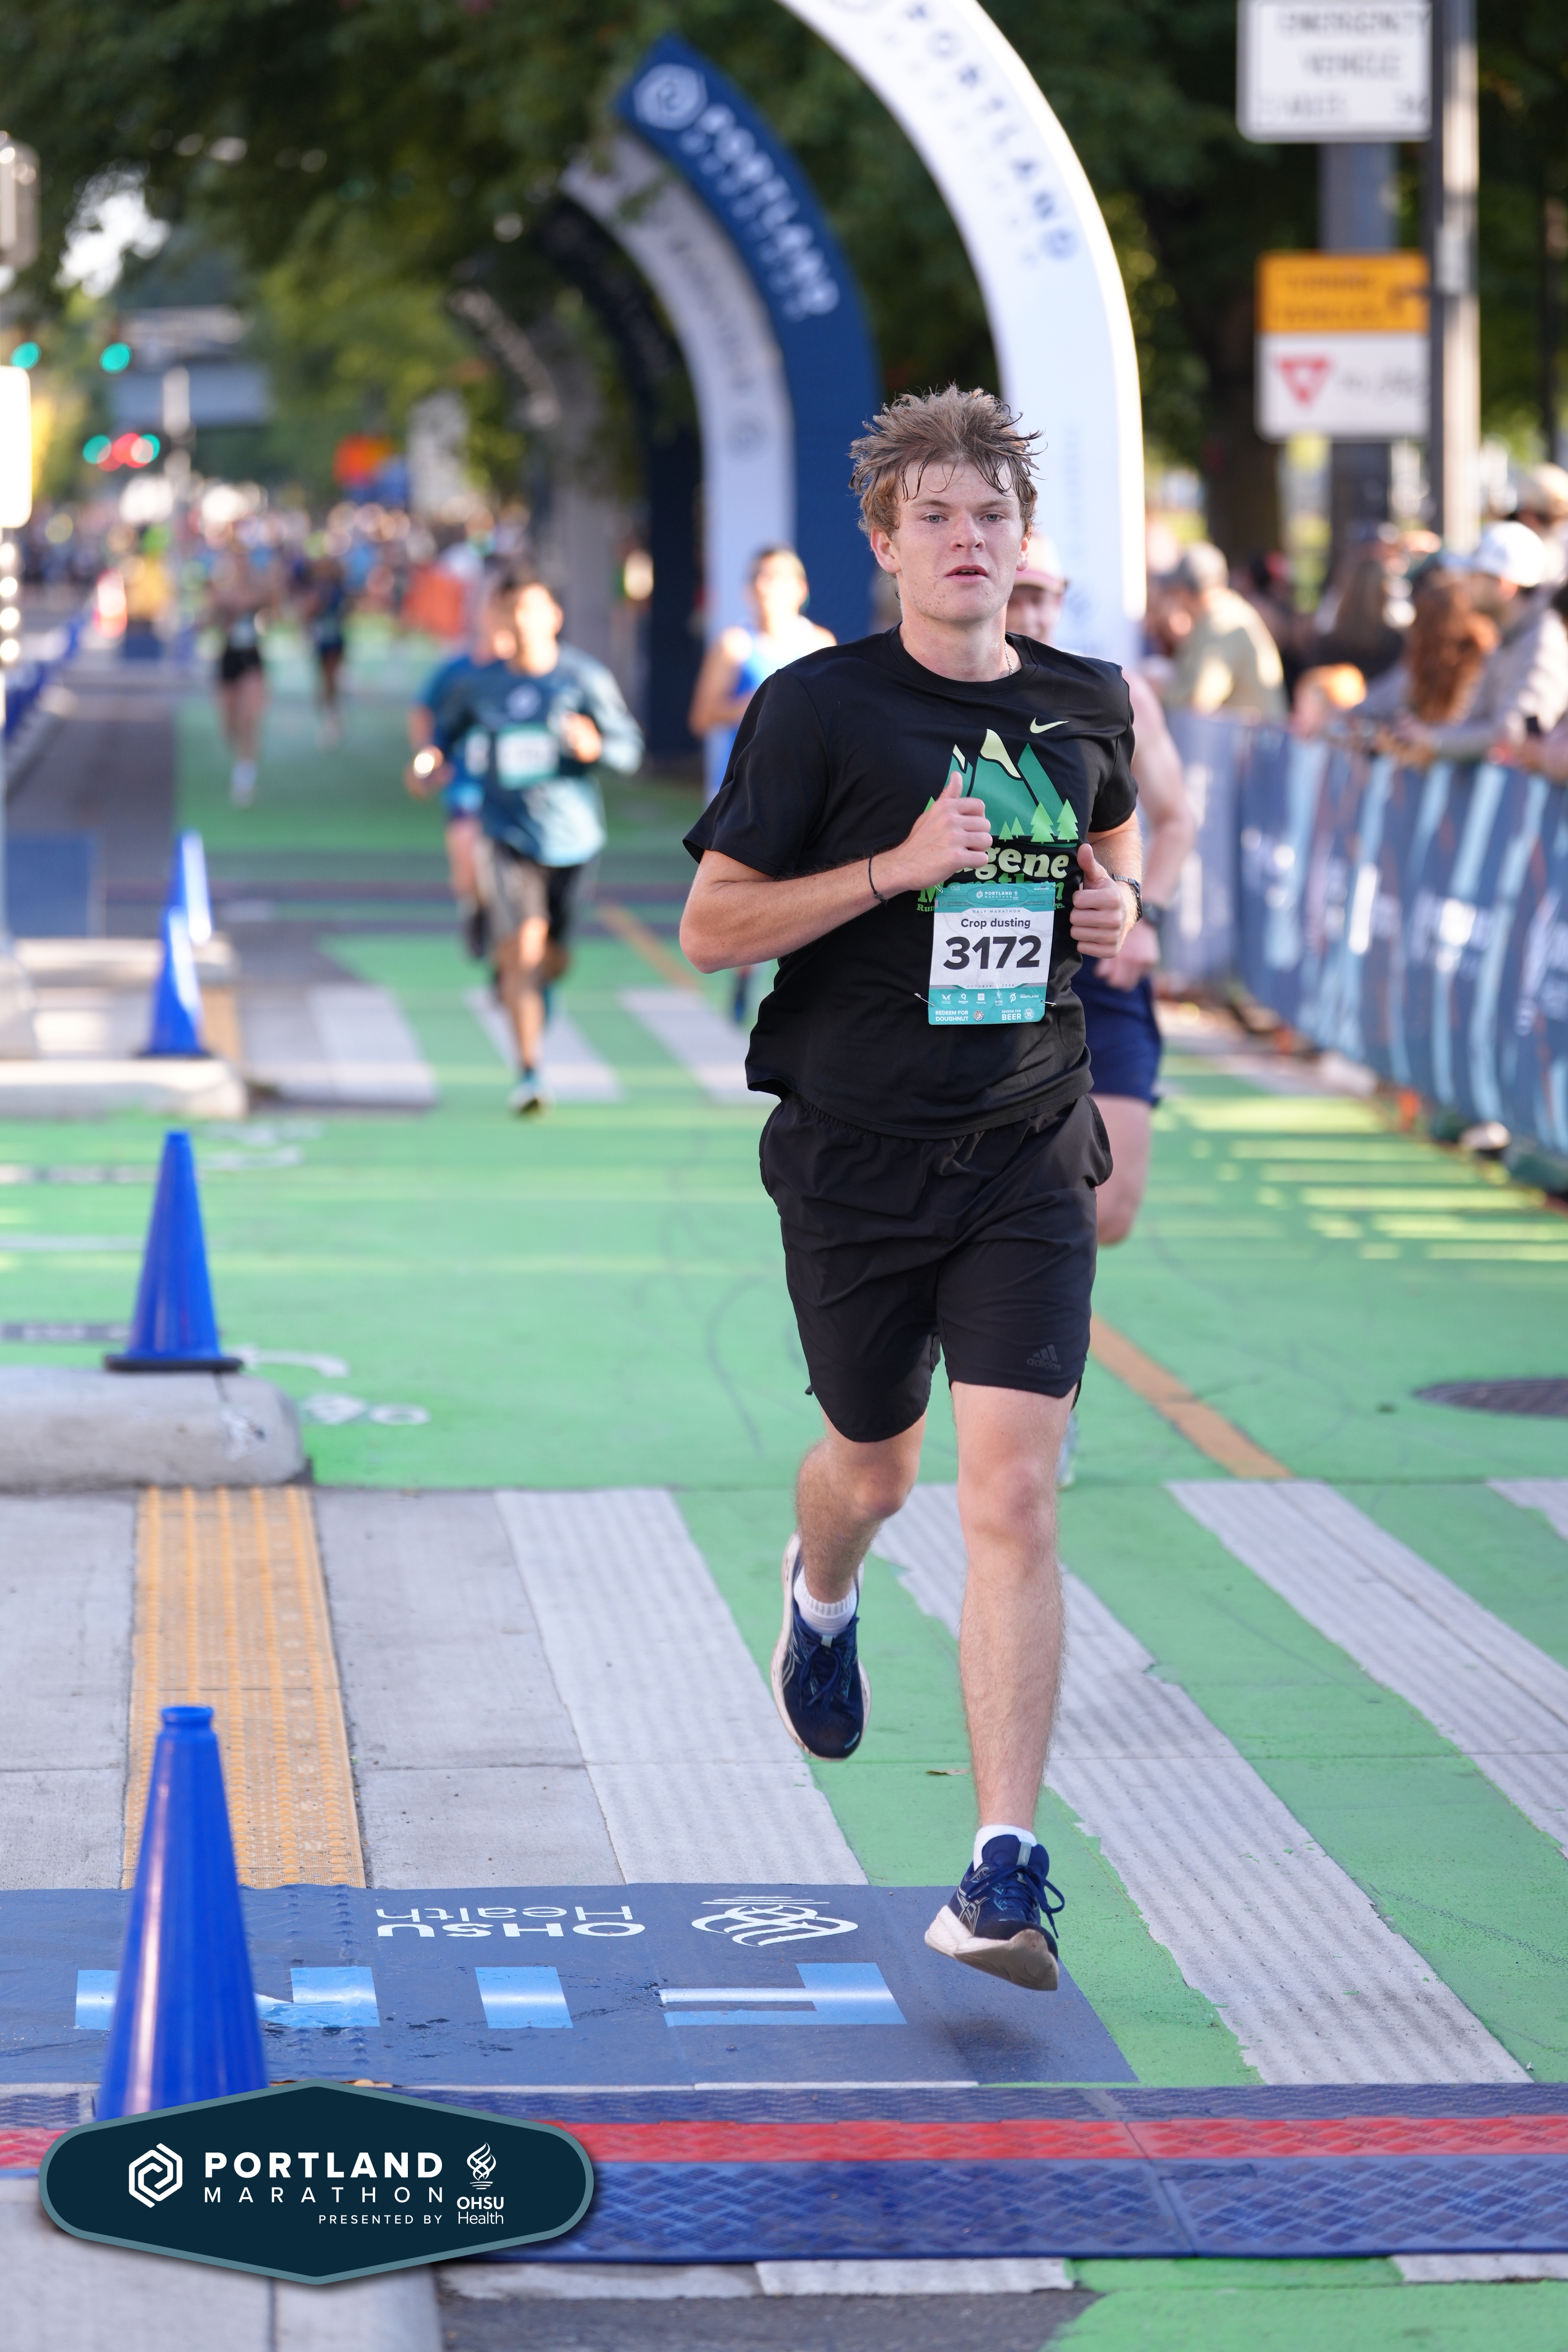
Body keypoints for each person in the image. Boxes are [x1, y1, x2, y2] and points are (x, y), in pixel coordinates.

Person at [680, 387, 1143, 1993]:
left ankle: (1000, 1868)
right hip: (855, 1153)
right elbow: (712, 930)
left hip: (1025, 1142)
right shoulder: (816, 710)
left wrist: (1118, 915)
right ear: (882, 544)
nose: (966, 541)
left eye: (990, 516)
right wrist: (894, 868)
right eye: (933, 517)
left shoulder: (1084, 703)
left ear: (1023, 541)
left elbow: (1105, 865)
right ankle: (818, 1591)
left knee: (1012, 1493)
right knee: (873, 1469)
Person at [417, 575, 643, 1114]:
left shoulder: (582, 678)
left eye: (533, 610)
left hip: (572, 839)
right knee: (523, 947)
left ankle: (540, 987)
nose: (522, 621)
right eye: (513, 611)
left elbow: (629, 750)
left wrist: (594, 746)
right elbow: (442, 736)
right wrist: (428, 762)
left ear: (554, 618)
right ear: (502, 620)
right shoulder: (481, 684)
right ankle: (529, 1073)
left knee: (552, 958)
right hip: (506, 833)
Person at [688, 547, 837, 1022]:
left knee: (807, 890)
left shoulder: (820, 643)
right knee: (748, 891)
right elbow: (702, 716)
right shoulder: (735, 645)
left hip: (809, 791)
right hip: (745, 792)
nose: (768, 588)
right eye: (761, 579)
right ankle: (744, 972)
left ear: (801, 589)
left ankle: (798, 983)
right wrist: (762, 702)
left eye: (779, 578)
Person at [1390, 523, 1568, 766]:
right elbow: (1475, 718)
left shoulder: (1545, 640)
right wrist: (1423, 737)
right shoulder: (1510, 635)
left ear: (1505, 585)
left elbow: (1515, 733)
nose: (1465, 584)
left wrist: (1433, 742)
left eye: (1475, 575)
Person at [407, 577, 518, 961]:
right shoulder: (457, 671)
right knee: (468, 859)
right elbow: (425, 717)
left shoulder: (526, 672)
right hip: (468, 784)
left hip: (517, 791)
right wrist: (426, 761)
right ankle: (474, 910)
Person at [1353, 572, 1498, 738]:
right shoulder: (1420, 661)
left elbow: (1473, 723)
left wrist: (1425, 735)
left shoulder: (1481, 661)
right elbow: (1377, 700)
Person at [1158, 541, 1287, 722]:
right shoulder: (1223, 614)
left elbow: (1199, 701)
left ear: (1184, 592)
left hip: (1254, 737)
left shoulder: (1222, 623)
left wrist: (1158, 692)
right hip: (1250, 734)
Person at [204, 536, 275, 805]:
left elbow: (274, 611)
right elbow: (208, 621)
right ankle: (240, 760)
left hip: (251, 657)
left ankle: (244, 778)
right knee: (230, 723)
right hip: (228, 658)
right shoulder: (221, 591)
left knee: (249, 719)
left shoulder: (259, 590)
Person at [300, 552, 350, 745]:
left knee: (332, 678)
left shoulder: (337, 589)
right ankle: (329, 717)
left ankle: (333, 716)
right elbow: (307, 613)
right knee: (324, 680)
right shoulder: (316, 589)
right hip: (322, 640)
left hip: (334, 639)